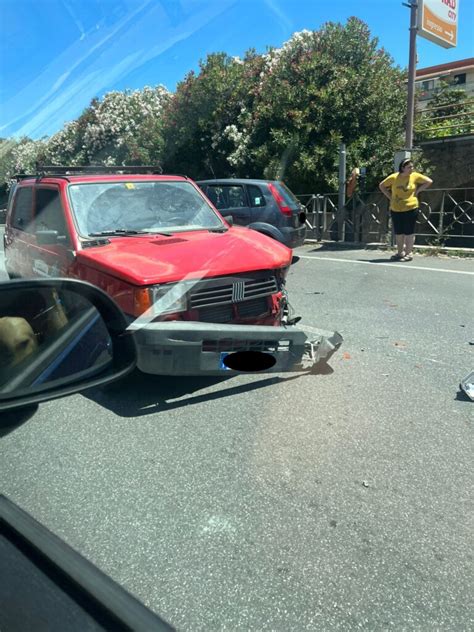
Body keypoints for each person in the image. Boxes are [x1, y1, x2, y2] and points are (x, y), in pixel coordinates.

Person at [379, 159, 433, 261]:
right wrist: (390, 196)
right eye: (409, 167)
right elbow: (382, 185)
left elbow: (429, 181)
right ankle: (400, 252)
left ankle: (409, 253)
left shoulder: (415, 176)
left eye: (412, 167)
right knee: (399, 232)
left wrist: (418, 190)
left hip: (411, 207)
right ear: (403, 168)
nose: (411, 169)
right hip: (396, 208)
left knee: (409, 231)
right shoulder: (394, 177)